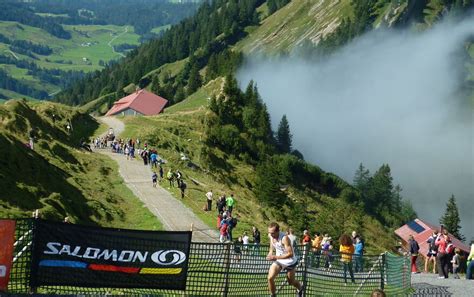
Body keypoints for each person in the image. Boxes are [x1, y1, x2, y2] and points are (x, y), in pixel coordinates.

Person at [266, 222, 303, 297]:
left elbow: (290, 254)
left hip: (290, 261)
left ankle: (300, 287)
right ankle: (273, 295)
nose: (271, 235)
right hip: (279, 260)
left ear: (278, 231)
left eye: (272, 233)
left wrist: (275, 257)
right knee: (270, 278)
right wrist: (270, 252)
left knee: (291, 282)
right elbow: (271, 243)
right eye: (269, 233)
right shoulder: (271, 235)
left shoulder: (284, 238)